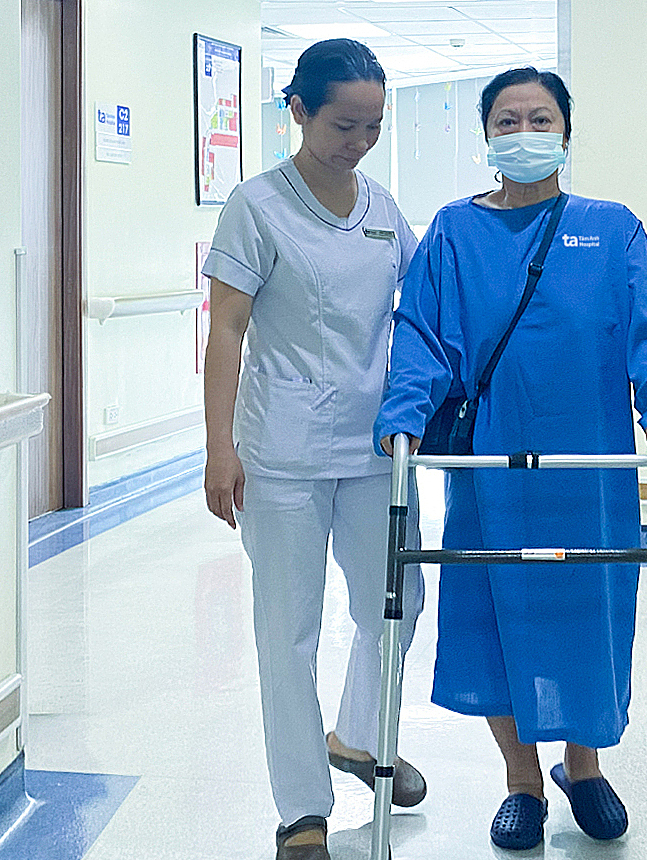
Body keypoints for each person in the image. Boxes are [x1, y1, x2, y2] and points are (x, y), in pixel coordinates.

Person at [374, 67, 647, 851]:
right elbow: (421, 334)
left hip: (591, 463)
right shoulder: (454, 231)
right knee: (494, 614)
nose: (524, 133)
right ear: (486, 136)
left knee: (585, 608)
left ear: (565, 132)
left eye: (539, 118)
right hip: (492, 464)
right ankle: (521, 780)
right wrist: (402, 417)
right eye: (507, 120)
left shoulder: (609, 227)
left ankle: (582, 767)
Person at [201, 39, 426, 860]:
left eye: (372, 127)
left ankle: (358, 738)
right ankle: (302, 808)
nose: (357, 142)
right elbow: (226, 329)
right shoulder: (256, 205)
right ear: (297, 111)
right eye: (342, 125)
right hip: (282, 453)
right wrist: (218, 448)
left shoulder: (383, 207)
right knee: (287, 631)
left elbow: (422, 305)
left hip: (373, 449)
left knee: (396, 606)